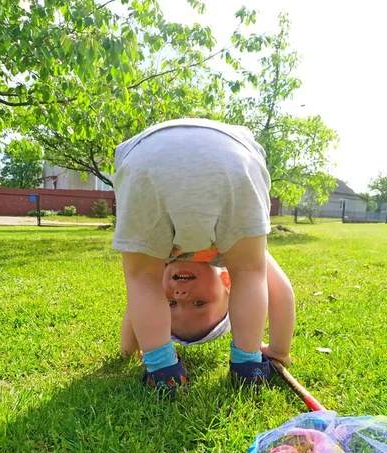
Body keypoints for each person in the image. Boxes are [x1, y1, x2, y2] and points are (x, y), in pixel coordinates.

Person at [112, 118, 295, 393]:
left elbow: (139, 294)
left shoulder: (156, 266)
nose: (181, 296)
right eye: (200, 303)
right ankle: (247, 363)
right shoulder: (232, 253)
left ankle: (162, 368)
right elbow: (281, 292)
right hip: (231, 157)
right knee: (249, 271)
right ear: (226, 284)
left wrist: (129, 349)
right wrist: (279, 350)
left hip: (147, 158)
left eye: (169, 304)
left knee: (142, 278)